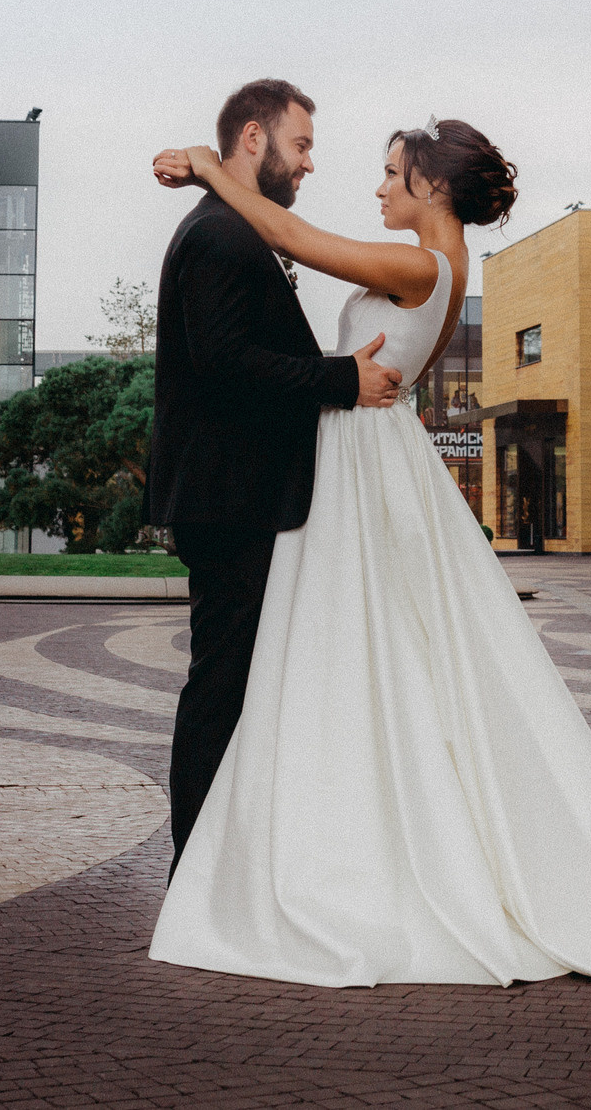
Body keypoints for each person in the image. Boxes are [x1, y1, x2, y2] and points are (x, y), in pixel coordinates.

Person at [145, 117, 591, 996]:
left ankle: (359, 856)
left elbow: (290, 234)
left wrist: (205, 165)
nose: (379, 187)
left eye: (392, 174)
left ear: (431, 186)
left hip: (365, 466)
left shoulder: (427, 265)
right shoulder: (440, 264)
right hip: (364, 462)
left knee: (363, 654)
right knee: (380, 660)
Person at [146, 79, 405, 868]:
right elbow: (226, 366)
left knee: (235, 681)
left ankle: (225, 855)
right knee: (221, 683)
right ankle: (196, 860)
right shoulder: (221, 235)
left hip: (239, 496)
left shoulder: (230, 226)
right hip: (229, 501)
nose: (309, 163)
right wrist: (339, 381)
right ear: (253, 140)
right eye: (301, 146)